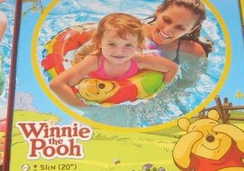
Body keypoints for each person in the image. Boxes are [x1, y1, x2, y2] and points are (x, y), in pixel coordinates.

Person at [50, 13, 179, 108]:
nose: (119, 52)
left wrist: (159, 89)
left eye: (128, 45)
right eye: (112, 44)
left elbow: (172, 68)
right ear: (99, 42)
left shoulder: (139, 60)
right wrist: (81, 106)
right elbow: (57, 84)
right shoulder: (94, 61)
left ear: (138, 45)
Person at [141, 0, 213, 62]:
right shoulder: (135, 29)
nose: (167, 30)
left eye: (180, 27)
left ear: (192, 29)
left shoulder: (194, 53)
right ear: (159, 11)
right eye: (166, 20)